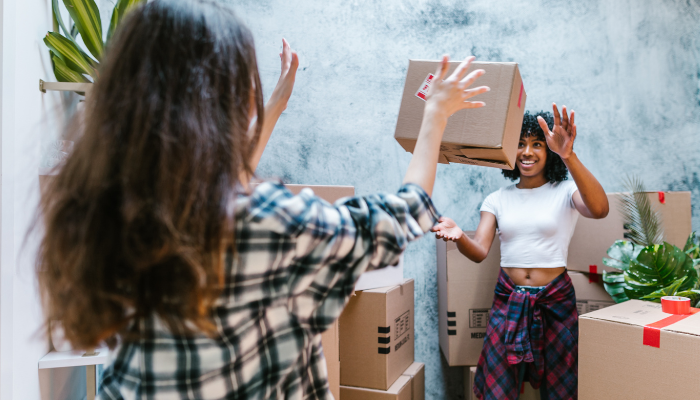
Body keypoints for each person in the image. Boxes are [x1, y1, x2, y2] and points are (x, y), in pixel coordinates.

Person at [35, 1, 489, 398]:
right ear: (226, 100)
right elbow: (401, 214)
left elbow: (214, 194)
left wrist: (273, 110)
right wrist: (435, 115)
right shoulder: (272, 223)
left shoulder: (107, 211)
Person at [432, 107, 609, 399]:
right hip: (508, 299)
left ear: (549, 150)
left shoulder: (565, 191)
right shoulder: (497, 199)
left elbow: (600, 210)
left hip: (556, 301)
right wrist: (460, 235)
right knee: (497, 388)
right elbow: (479, 252)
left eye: (537, 144)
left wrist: (568, 154)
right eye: (520, 143)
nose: (527, 152)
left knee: (561, 388)